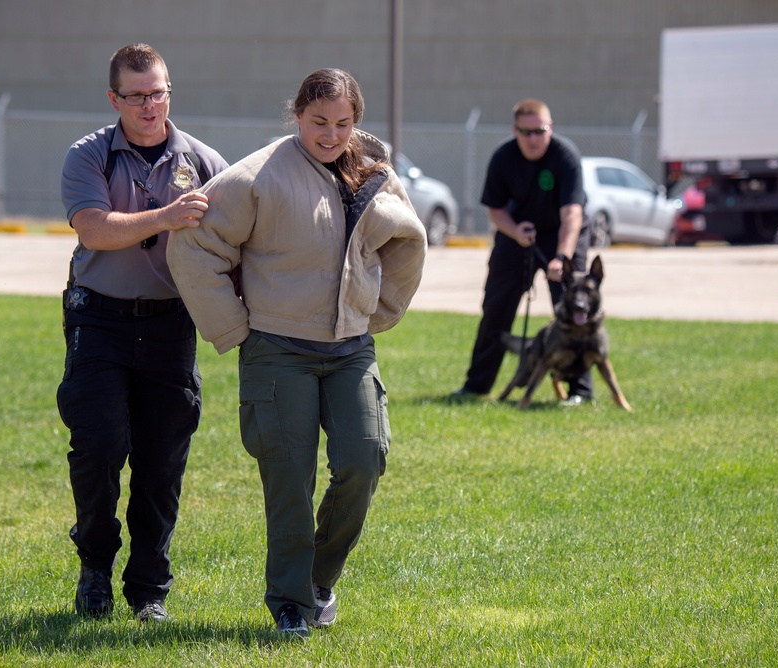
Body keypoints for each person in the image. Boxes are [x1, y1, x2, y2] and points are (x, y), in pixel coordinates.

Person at [167, 68, 427, 638]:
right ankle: (289, 603)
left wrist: (377, 312)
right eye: (318, 122)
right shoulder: (258, 175)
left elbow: (409, 239)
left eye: (342, 123)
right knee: (288, 480)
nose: (330, 135)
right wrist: (233, 328)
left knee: (364, 460)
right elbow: (193, 244)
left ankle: (319, 580)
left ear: (355, 122)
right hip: (277, 351)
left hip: (350, 350)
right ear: (298, 116)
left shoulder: (374, 173)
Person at [57, 43, 228, 623]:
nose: (150, 105)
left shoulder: (206, 162)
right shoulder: (89, 157)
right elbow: (96, 230)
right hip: (98, 319)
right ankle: (95, 571)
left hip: (169, 326)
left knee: (161, 463)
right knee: (99, 446)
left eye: (159, 92)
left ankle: (149, 589)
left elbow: (237, 241)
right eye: (137, 96)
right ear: (115, 99)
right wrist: (165, 216)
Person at [452, 98, 593, 404]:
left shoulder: (565, 156)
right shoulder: (503, 157)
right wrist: (515, 231)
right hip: (516, 233)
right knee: (496, 308)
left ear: (550, 128)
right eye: (525, 132)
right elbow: (495, 210)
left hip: (562, 235)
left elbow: (573, 214)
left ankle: (580, 391)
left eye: (539, 131)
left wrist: (562, 258)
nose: (532, 138)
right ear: (514, 130)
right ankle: (476, 386)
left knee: (573, 309)